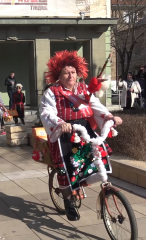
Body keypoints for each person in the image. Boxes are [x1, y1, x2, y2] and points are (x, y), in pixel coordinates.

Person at [40, 51, 122, 221]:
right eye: (66, 72)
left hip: (84, 130)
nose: (70, 75)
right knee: (65, 167)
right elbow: (47, 112)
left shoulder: (83, 89)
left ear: (78, 73)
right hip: (65, 133)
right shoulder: (52, 92)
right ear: (58, 75)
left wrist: (109, 117)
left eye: (73, 72)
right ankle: (68, 201)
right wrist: (59, 123)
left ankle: (81, 183)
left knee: (99, 155)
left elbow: (96, 105)